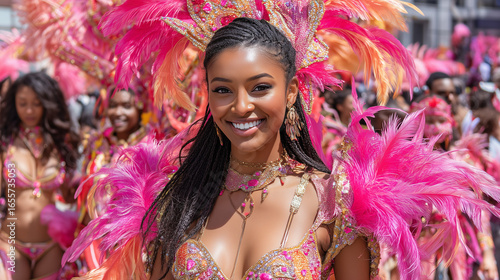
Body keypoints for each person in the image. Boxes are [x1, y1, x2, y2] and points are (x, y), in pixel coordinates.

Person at [63, 1, 500, 280]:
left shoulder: (335, 201)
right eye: (222, 89)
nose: (240, 106)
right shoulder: (178, 197)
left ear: (290, 92)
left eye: (259, 88)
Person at [0, 71, 80, 280]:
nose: (29, 110)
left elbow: (69, 196)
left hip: (50, 247)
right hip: (11, 243)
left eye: (36, 103)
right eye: (22, 103)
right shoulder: (5, 143)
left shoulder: (60, 143)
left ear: (47, 103)